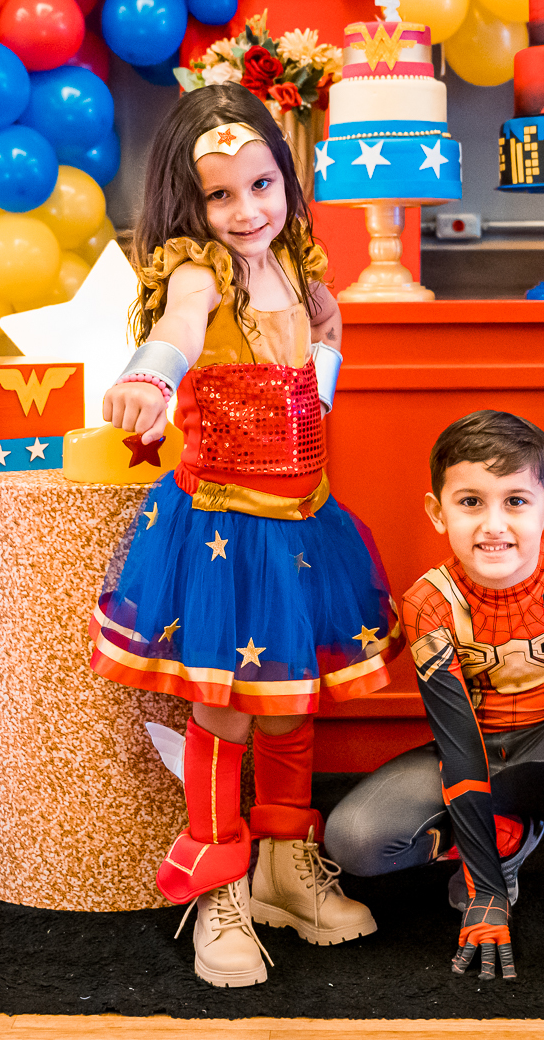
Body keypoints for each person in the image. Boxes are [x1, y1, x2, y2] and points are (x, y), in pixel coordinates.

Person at [89, 82, 399, 989]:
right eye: (220, 195)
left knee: (293, 698)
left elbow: (320, 340)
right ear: (189, 204)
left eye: (262, 185)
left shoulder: (296, 264)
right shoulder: (200, 273)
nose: (247, 210)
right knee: (225, 708)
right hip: (223, 530)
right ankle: (218, 883)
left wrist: (324, 360)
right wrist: (151, 377)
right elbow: (181, 329)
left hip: (303, 523)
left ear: (286, 180)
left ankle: (284, 868)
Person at [325, 410, 544, 1022]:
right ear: (438, 512)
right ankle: (504, 840)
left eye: (515, 501)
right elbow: (460, 746)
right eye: (470, 502)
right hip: (482, 755)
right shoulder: (430, 603)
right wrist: (488, 896)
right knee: (353, 839)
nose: (493, 525)